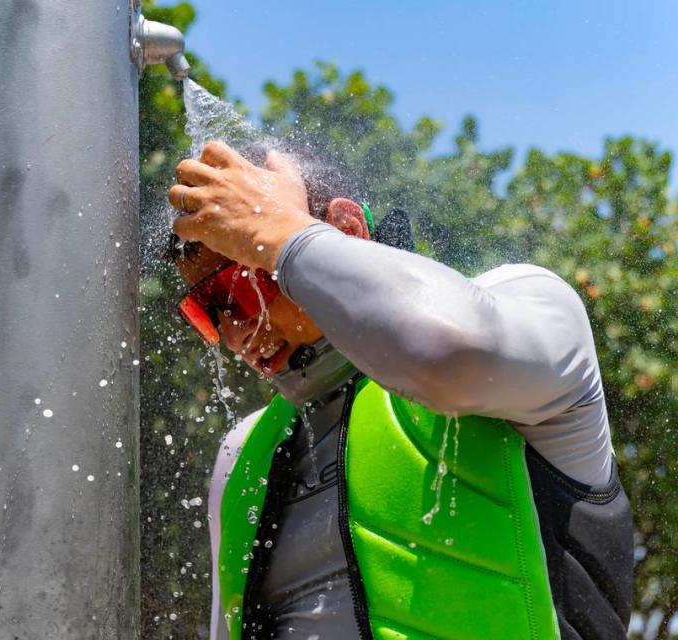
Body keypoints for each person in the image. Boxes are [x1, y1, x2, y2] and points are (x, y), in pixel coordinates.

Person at [166, 140, 634, 640]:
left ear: (346, 229)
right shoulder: (243, 453)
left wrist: (284, 234)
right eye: (208, 311)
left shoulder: (535, 306)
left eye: (240, 287)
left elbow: (448, 354)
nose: (235, 335)